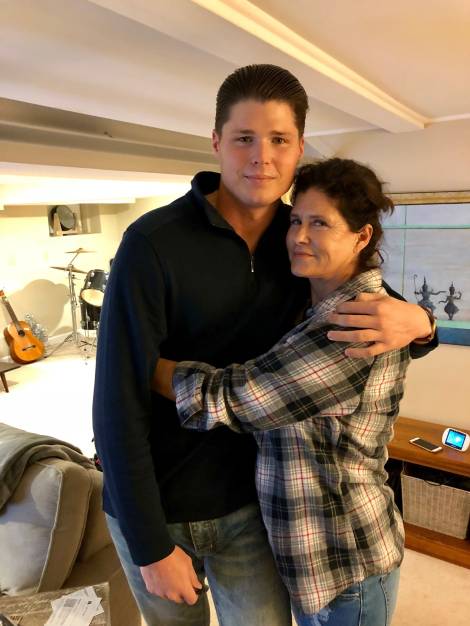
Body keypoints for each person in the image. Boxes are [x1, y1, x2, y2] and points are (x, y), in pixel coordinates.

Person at [93, 65, 436, 626]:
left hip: (252, 508)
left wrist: (422, 321)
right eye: (244, 138)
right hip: (161, 505)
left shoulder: (296, 239)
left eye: (279, 139)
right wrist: (148, 543)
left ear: (299, 147)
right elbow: (114, 400)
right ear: (216, 142)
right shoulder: (152, 243)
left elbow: (375, 314)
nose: (262, 158)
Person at [153, 158, 411, 626]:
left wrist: (136, 362)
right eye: (295, 221)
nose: (299, 237)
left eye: (320, 224)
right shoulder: (311, 304)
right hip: (315, 559)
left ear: (362, 237)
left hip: (346, 561)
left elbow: (230, 398)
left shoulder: (350, 327)